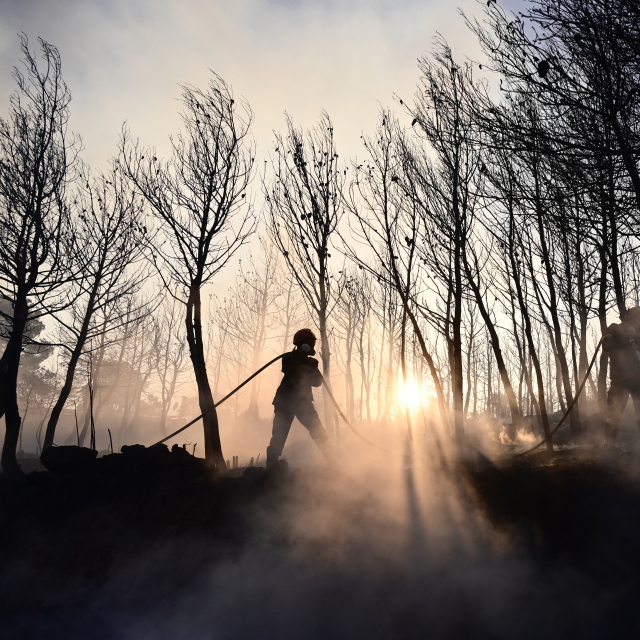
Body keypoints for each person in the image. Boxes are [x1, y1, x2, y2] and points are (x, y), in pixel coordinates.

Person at [266, 328, 333, 469]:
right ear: (301, 343)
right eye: (309, 343)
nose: (312, 346)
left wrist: (314, 368)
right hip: (285, 401)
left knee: (318, 431)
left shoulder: (310, 363)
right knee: (279, 436)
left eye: (313, 343)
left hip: (303, 402)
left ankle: (333, 463)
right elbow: (293, 372)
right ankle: (270, 469)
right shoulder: (289, 357)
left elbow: (317, 382)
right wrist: (309, 367)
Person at [603, 306, 640, 445]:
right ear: (626, 315)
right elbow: (606, 344)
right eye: (634, 314)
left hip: (638, 379)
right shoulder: (614, 328)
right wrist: (626, 344)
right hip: (619, 378)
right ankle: (609, 444)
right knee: (614, 412)